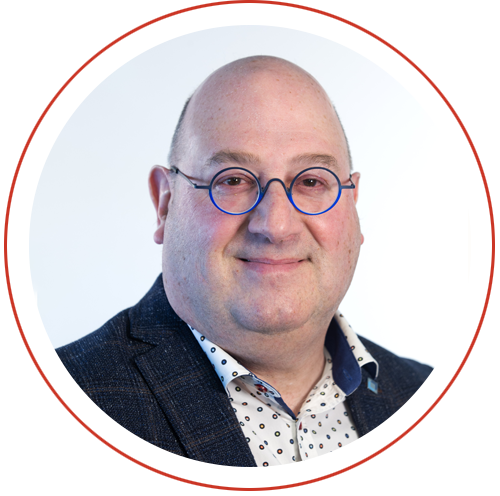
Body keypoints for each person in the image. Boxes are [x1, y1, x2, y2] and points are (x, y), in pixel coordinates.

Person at [37, 56, 459, 469]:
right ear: (165, 204)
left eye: (312, 181)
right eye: (233, 180)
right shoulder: (46, 410)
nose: (275, 225)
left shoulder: (430, 405)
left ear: (353, 205)